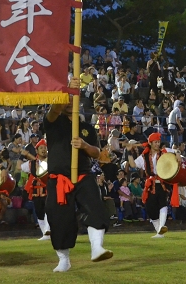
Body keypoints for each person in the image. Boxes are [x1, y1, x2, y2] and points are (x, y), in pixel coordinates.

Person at [44, 78, 112, 272]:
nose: (68, 102)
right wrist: (67, 90)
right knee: (59, 218)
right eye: (66, 99)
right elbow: (54, 110)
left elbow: (97, 153)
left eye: (72, 98)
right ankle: (63, 259)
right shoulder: (53, 122)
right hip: (59, 178)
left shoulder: (87, 128)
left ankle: (96, 247)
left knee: (95, 206)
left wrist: (84, 145)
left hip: (82, 175)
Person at [127, 132, 178, 238]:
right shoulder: (144, 156)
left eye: (158, 142)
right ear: (150, 143)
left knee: (162, 203)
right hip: (150, 184)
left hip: (163, 183)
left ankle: (161, 228)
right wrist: (128, 152)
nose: (157, 144)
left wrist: (177, 154)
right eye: (155, 142)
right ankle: (159, 230)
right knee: (150, 208)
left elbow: (176, 151)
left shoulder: (165, 152)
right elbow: (133, 165)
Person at [21, 138, 50, 240]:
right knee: (39, 212)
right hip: (36, 191)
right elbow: (19, 167)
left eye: (45, 148)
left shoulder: (51, 161)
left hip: (48, 189)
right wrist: (23, 155)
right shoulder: (31, 164)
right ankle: (44, 234)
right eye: (41, 148)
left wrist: (29, 155)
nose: (43, 149)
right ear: (37, 150)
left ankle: (48, 230)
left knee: (48, 209)